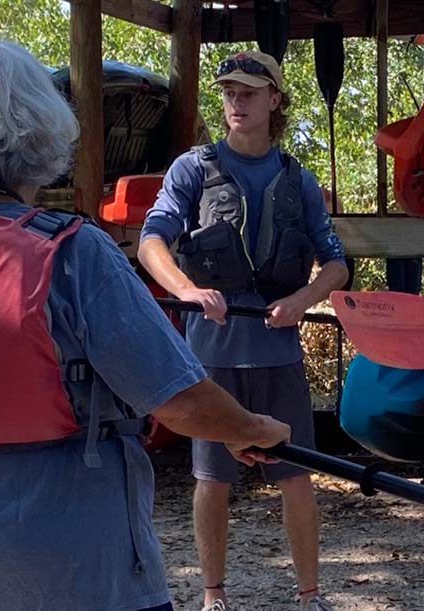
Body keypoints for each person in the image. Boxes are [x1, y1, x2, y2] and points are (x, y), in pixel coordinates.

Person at [0, 40, 291, 611]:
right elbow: (178, 400)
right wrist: (253, 428)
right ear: (37, 128)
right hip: (71, 562)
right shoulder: (72, 249)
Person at [138, 50, 348, 611]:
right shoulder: (192, 169)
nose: (237, 101)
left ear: (275, 100)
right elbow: (151, 241)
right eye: (230, 91)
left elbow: (336, 262)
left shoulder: (297, 179)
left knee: (297, 474)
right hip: (211, 355)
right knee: (213, 477)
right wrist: (184, 288)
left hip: (277, 352)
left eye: (250, 92)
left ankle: (309, 594)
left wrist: (303, 299)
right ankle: (213, 596)